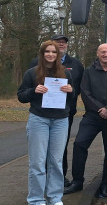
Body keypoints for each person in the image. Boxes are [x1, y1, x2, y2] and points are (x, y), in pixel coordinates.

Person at [65, 44, 107, 198]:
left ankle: (105, 184)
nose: (105, 54)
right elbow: (85, 93)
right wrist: (101, 109)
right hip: (92, 117)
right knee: (79, 144)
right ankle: (77, 181)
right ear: (98, 54)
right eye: (102, 52)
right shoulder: (88, 71)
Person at [18, 40, 73, 205]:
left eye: (54, 52)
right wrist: (34, 91)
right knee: (37, 161)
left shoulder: (66, 74)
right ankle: (36, 199)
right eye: (47, 51)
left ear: (58, 55)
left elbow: (71, 98)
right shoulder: (31, 73)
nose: (50, 54)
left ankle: (55, 197)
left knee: (56, 161)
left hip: (60, 121)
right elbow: (21, 96)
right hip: (39, 120)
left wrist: (71, 90)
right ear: (42, 54)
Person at [28, 34, 84, 187]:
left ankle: (60, 181)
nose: (60, 45)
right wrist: (35, 90)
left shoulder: (75, 65)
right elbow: (25, 91)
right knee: (39, 154)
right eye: (57, 43)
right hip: (40, 115)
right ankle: (41, 185)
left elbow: (77, 90)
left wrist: (70, 92)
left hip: (63, 115)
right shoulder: (34, 66)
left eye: (63, 43)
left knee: (59, 150)